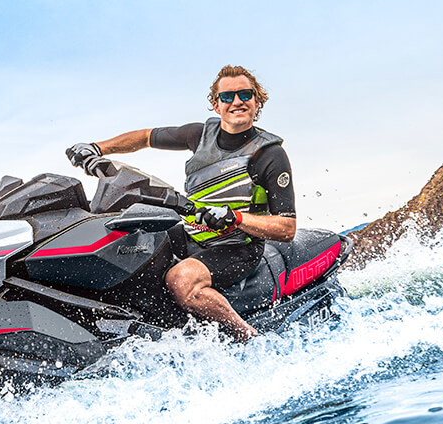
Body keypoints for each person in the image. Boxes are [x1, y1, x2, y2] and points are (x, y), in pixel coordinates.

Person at [66, 65, 296, 342]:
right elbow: (144, 137)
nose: (237, 101)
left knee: (181, 280)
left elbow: (286, 227)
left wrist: (236, 218)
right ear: (216, 104)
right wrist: (97, 148)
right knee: (124, 240)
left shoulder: (269, 154)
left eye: (245, 94)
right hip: (190, 233)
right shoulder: (199, 136)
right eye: (228, 96)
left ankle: (249, 338)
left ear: (257, 100)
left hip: (236, 247)